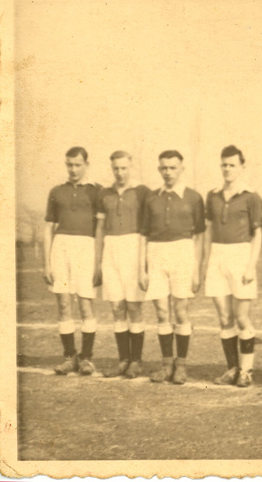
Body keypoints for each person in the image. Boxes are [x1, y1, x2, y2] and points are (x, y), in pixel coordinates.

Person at [139, 150, 205, 385]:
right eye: (164, 168)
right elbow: (143, 235)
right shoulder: (152, 198)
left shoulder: (194, 198)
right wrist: (142, 269)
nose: (168, 172)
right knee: (161, 312)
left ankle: (181, 366)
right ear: (159, 169)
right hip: (156, 253)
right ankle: (167, 365)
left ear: (181, 169)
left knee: (180, 311)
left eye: (173, 167)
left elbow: (199, 237)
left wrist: (197, 270)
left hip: (183, 253)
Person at [203, 146, 262, 388]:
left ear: (241, 167)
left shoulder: (251, 196)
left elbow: (258, 234)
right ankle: (232, 368)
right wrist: (207, 260)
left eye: (232, 165)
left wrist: (251, 266)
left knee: (241, 318)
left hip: (241, 255)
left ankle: (246, 371)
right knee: (224, 317)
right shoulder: (213, 195)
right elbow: (208, 231)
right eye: (224, 165)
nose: (228, 169)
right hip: (217, 255)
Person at [44, 147, 101, 375]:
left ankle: (86, 358)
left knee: (85, 304)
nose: (73, 169)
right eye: (69, 165)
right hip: (61, 248)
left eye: (78, 165)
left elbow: (102, 229)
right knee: (64, 304)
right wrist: (47, 262)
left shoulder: (97, 191)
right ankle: (70, 357)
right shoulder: (56, 191)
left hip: (86, 248)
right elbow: (48, 228)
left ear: (86, 164)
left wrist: (98, 260)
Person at [96, 151, 151, 379]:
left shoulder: (142, 192)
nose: (120, 173)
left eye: (124, 168)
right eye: (116, 168)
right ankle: (123, 360)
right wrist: (98, 261)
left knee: (134, 307)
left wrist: (144, 263)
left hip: (133, 246)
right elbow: (99, 228)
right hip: (111, 248)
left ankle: (136, 361)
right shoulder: (104, 193)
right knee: (117, 307)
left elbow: (147, 229)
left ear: (131, 166)